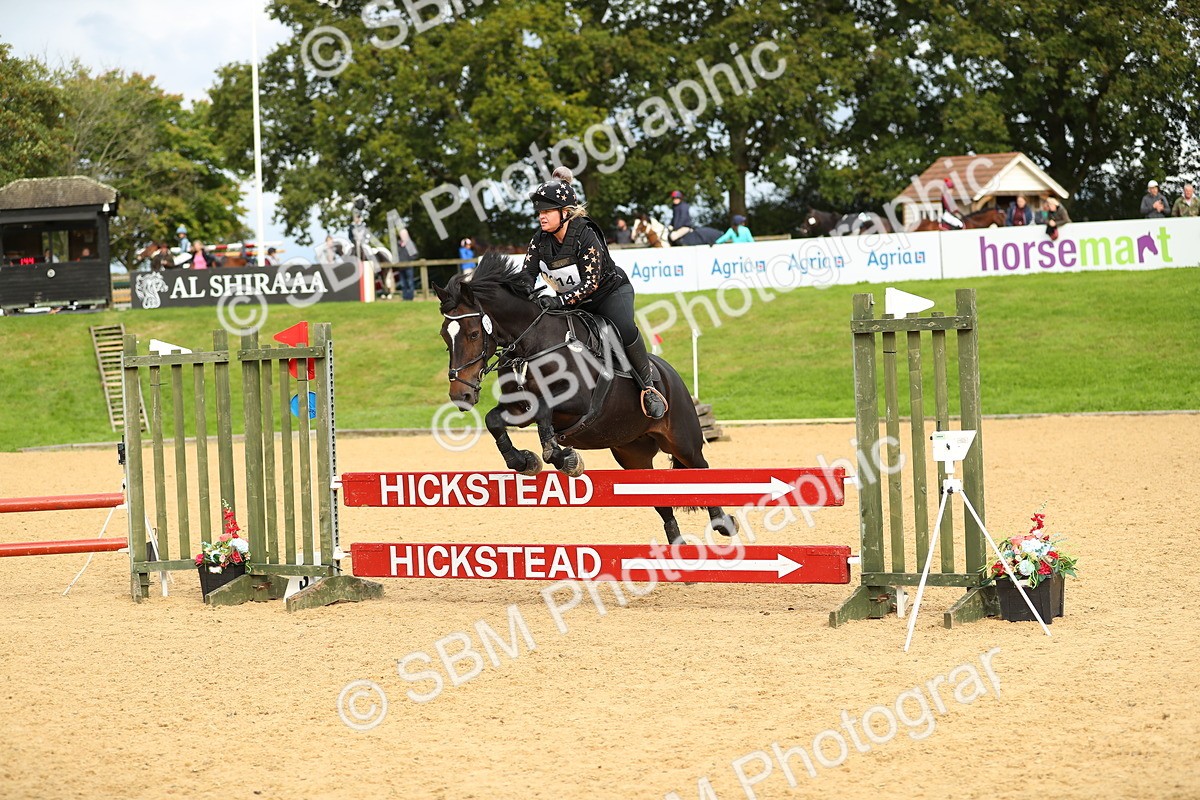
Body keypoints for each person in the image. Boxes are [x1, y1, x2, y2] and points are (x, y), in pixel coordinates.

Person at [522, 166, 668, 419]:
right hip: (572, 303)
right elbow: (526, 276)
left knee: (624, 328)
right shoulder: (539, 241)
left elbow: (591, 284)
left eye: (547, 212)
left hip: (608, 294)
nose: (541, 217)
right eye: (539, 212)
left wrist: (558, 301)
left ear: (565, 212)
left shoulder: (586, 235)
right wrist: (523, 296)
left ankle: (648, 388)